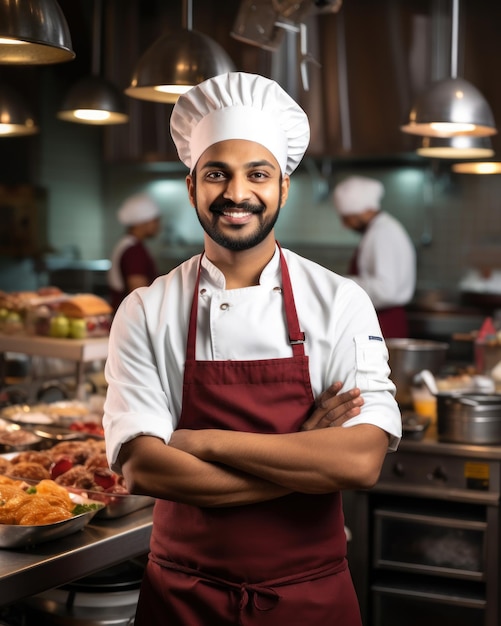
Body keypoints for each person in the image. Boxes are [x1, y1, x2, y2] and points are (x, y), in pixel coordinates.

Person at [103, 71, 402, 626]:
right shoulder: (146, 309)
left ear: (283, 186)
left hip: (309, 599)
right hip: (181, 600)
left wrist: (199, 442)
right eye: (217, 173)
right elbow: (144, 468)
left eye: (257, 174)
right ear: (192, 186)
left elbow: (360, 461)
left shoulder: (339, 301)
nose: (237, 193)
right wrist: (303, 453)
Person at [332, 175, 417, 338]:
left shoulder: (383, 233)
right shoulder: (380, 229)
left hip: (385, 322)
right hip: (380, 318)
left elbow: (386, 290)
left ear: (364, 210)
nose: (345, 225)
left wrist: (341, 285)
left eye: (347, 218)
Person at [107, 193, 161, 312]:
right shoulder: (134, 251)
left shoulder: (126, 244)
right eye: (155, 220)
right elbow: (139, 295)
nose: (158, 225)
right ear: (144, 222)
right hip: (130, 322)